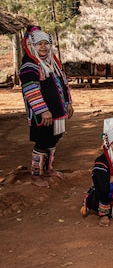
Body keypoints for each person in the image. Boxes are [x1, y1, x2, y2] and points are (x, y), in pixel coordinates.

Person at [19, 26, 74, 188]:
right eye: (39, 44)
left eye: (45, 43)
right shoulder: (30, 66)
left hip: (58, 112)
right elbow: (31, 91)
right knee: (42, 142)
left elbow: (64, 85)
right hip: (43, 114)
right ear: (31, 46)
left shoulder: (53, 63)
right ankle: (36, 175)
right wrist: (43, 111)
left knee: (54, 139)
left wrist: (68, 103)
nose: (43, 47)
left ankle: (48, 169)